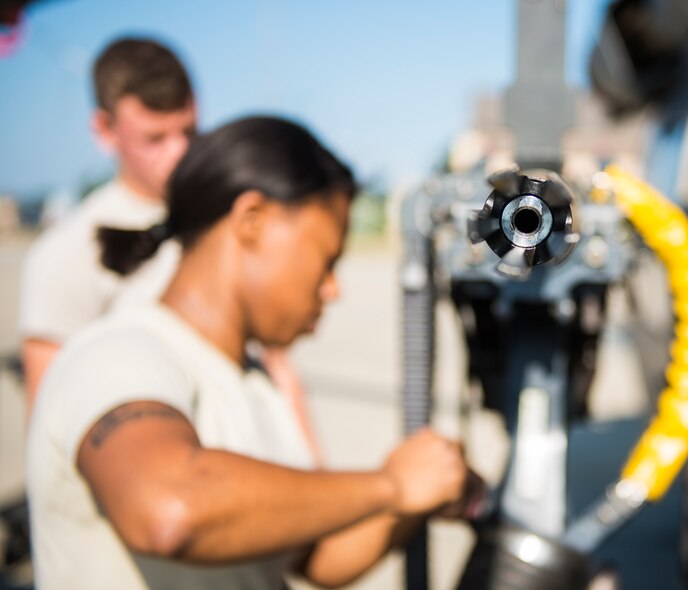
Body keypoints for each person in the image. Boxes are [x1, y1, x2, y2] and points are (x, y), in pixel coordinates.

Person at [27, 115, 483, 589]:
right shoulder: (119, 352)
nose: (333, 290)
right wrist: (390, 484)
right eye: (326, 261)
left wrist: (412, 496)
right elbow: (169, 509)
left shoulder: (255, 384)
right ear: (252, 221)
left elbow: (317, 557)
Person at [18, 38, 322, 459]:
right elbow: (49, 419)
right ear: (104, 130)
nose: (179, 153)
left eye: (189, 131)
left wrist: (313, 470)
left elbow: (277, 367)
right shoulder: (66, 254)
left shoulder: (229, 219)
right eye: (155, 138)